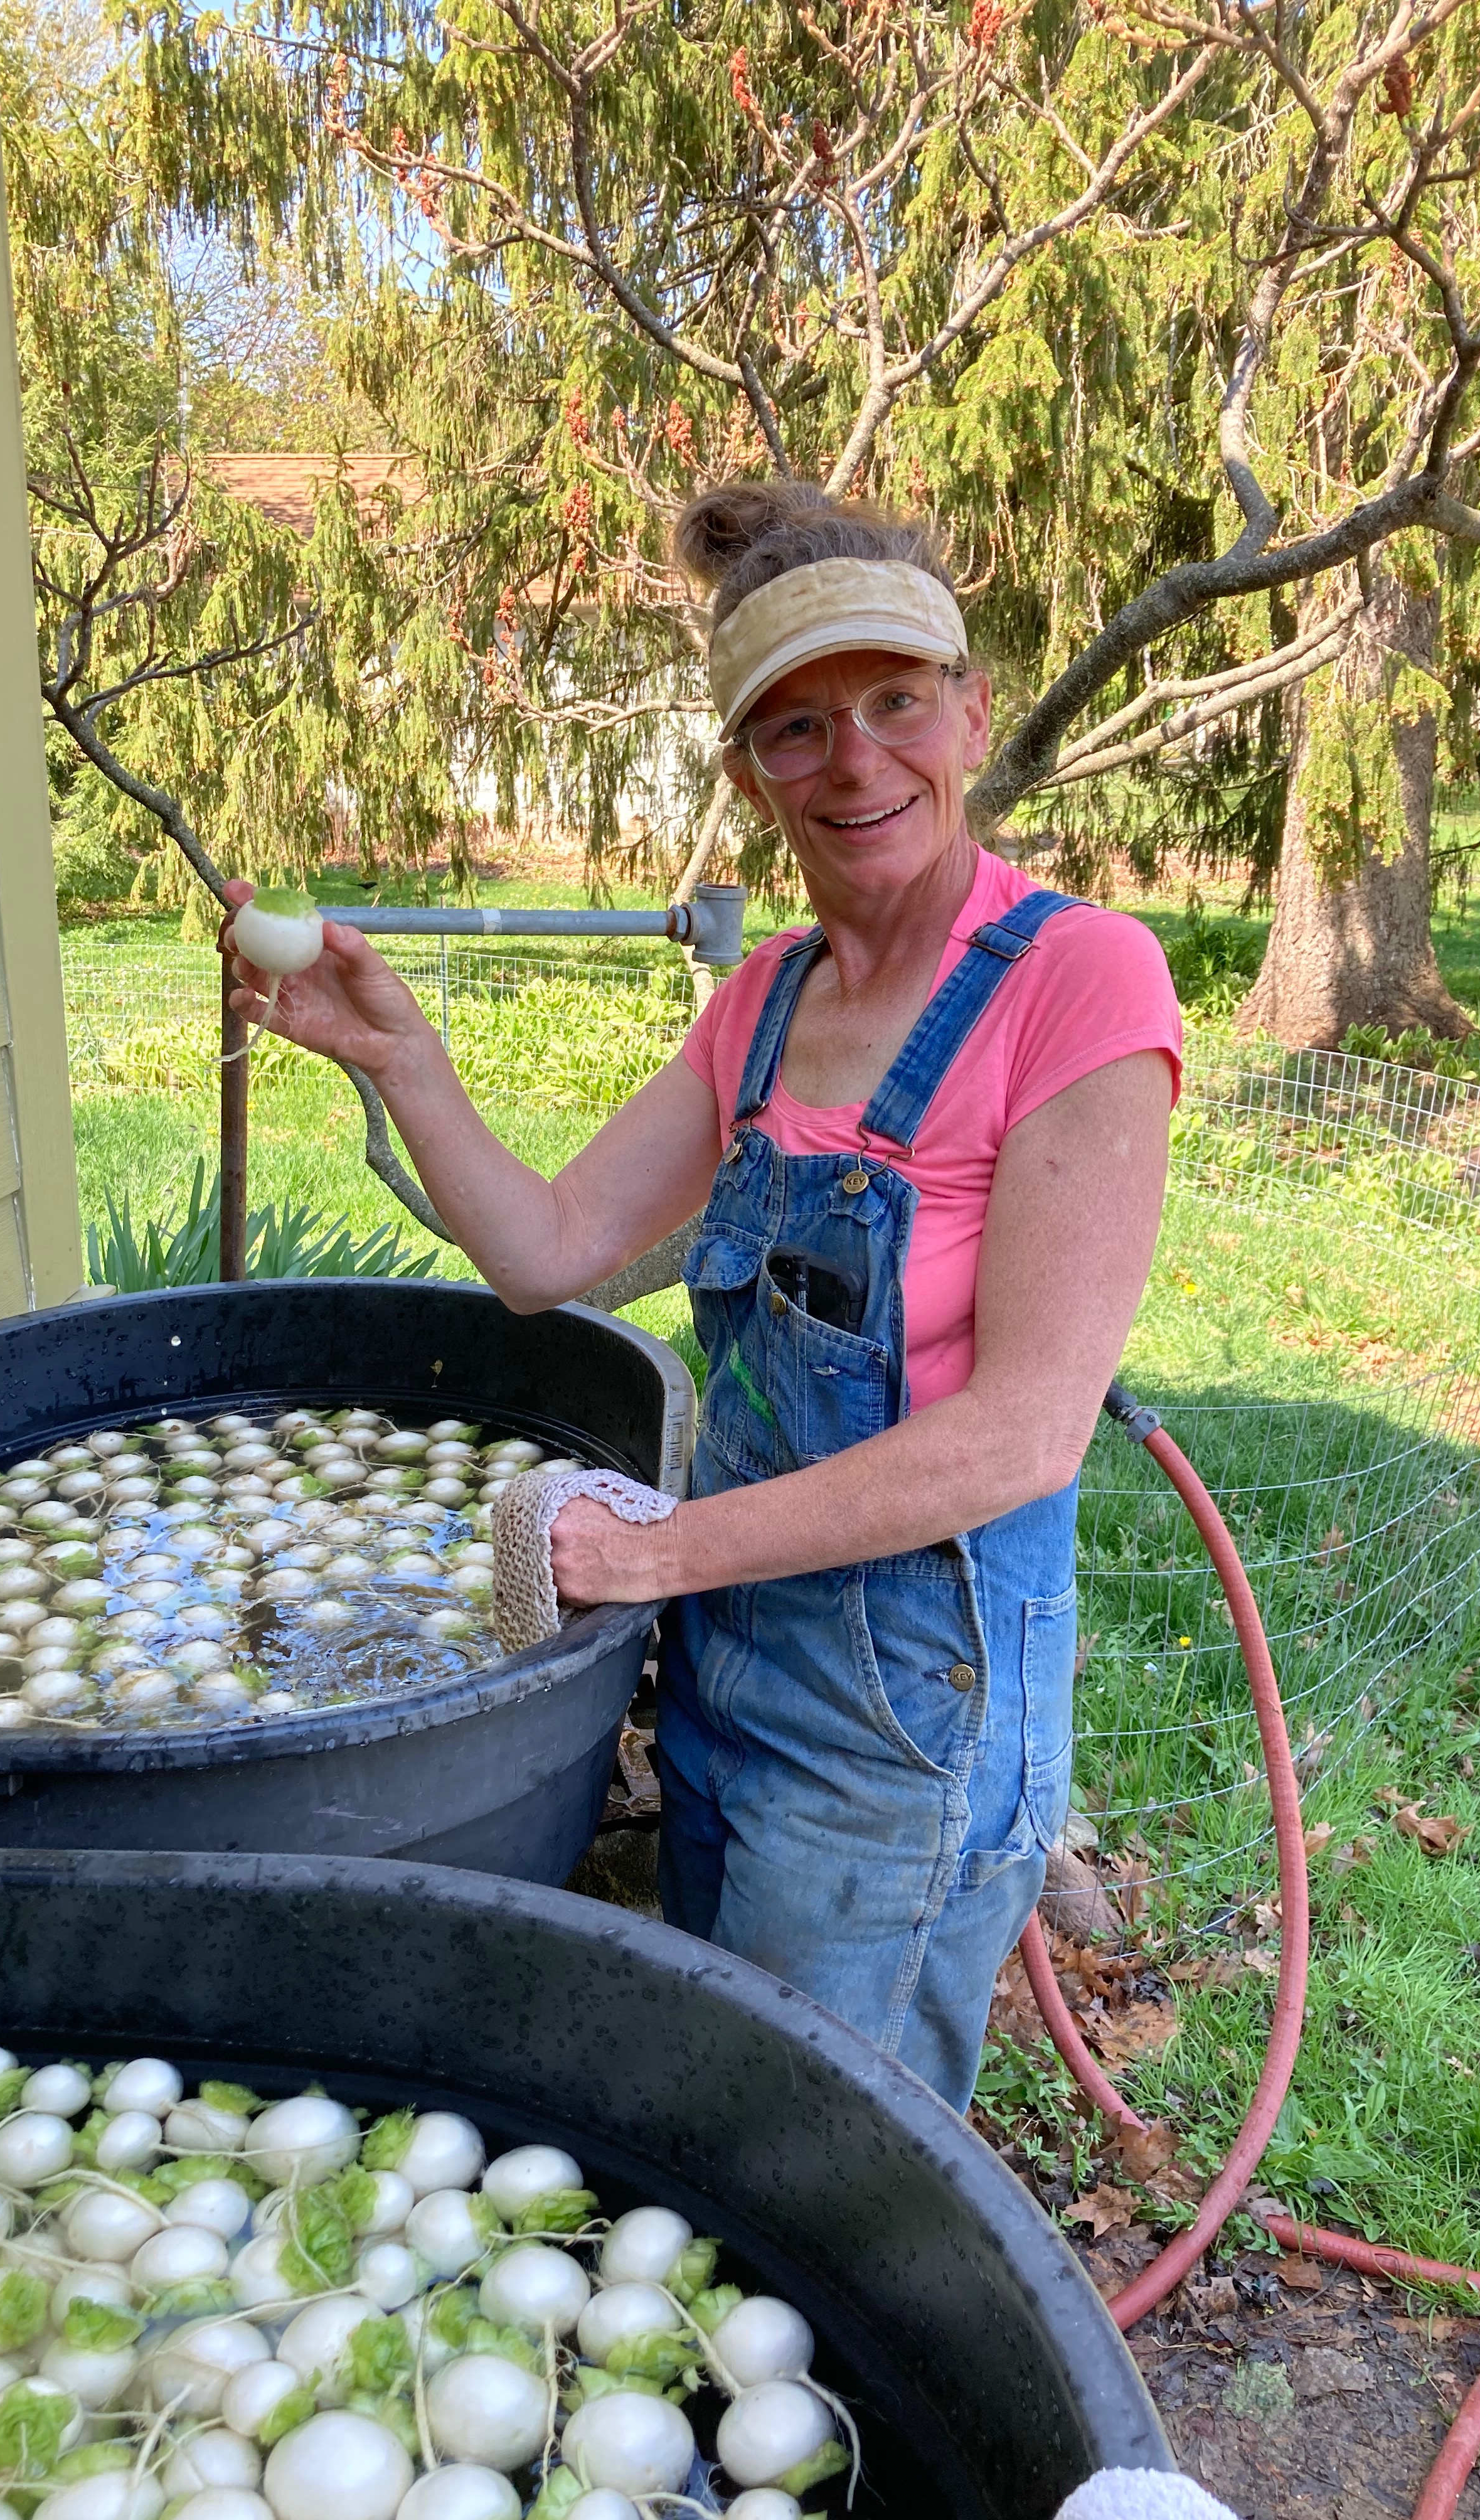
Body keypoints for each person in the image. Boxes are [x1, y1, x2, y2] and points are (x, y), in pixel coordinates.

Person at [225, 479, 1181, 2108]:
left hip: (907, 1709)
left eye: (895, 702)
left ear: (972, 713)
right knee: (722, 2094)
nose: (856, 762)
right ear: (748, 773)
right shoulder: (765, 1005)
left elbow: (1021, 1437)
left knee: (822, 2147)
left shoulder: (1079, 982)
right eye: (798, 727)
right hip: (727, 1663)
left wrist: (656, 1555)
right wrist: (401, 1061)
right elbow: (547, 1252)